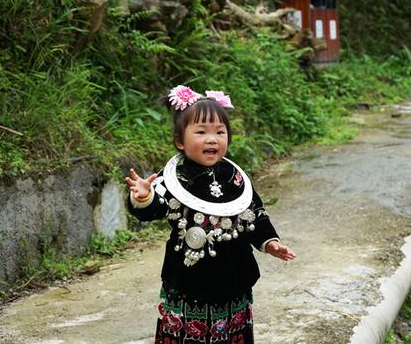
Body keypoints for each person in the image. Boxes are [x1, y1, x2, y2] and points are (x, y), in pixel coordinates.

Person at [126, 85, 295, 344]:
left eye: (220, 132)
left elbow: (255, 213)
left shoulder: (235, 178)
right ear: (180, 141)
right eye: (201, 132)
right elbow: (155, 208)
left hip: (234, 279)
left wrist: (269, 242)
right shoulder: (173, 178)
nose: (212, 139)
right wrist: (143, 197)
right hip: (188, 283)